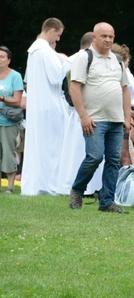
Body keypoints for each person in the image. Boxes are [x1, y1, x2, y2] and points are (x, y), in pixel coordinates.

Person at [68, 23, 131, 213]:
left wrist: (127, 118)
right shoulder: (84, 57)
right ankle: (77, 190)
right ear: (94, 38)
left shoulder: (117, 59)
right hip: (94, 119)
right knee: (94, 157)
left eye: (111, 36)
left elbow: (125, 89)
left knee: (113, 160)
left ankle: (107, 201)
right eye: (104, 36)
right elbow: (75, 87)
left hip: (116, 119)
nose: (108, 40)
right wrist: (84, 117)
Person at [22, 18, 83, 196]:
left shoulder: (34, 50)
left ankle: (40, 182)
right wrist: (70, 61)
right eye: (58, 35)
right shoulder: (43, 50)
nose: (57, 40)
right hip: (49, 105)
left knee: (42, 146)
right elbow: (56, 76)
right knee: (52, 146)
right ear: (52, 30)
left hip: (39, 105)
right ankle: (49, 183)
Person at [0, 46, 23, 193]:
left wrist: (1, 98)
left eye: (2, 57)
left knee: (9, 153)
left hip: (8, 122)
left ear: (8, 60)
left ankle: (10, 186)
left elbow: (18, 101)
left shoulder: (15, 76)